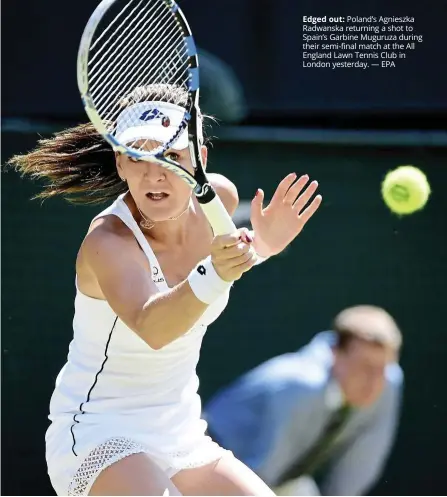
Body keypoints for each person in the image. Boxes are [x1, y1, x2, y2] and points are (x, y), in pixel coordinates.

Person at [9, 83, 322, 496]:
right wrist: (218, 272)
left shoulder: (219, 201)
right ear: (121, 163)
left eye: (172, 156)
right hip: (97, 436)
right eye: (139, 157)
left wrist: (263, 246)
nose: (155, 174)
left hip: (180, 435)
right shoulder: (109, 242)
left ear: (199, 161)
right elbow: (154, 327)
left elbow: (225, 263)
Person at [204, 305, 404, 496]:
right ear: (335, 354)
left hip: (278, 477)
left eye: (383, 368)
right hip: (205, 465)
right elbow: (260, 476)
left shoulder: (389, 382)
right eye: (365, 366)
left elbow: (358, 467)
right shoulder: (300, 387)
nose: (374, 381)